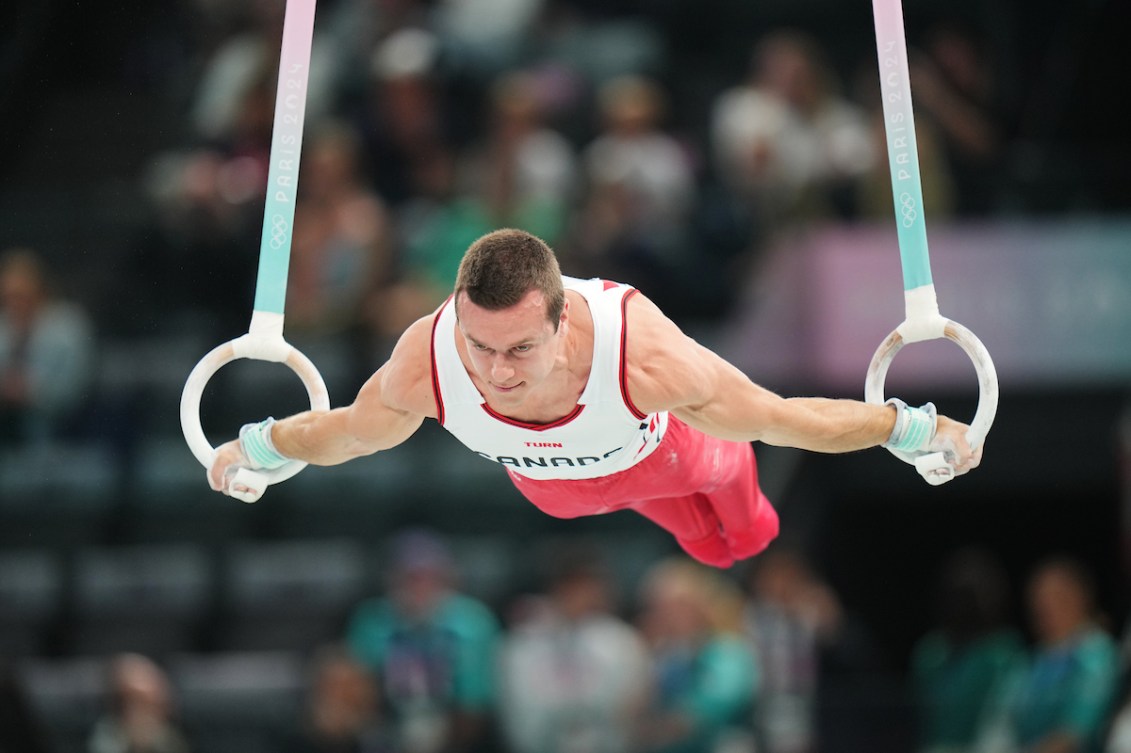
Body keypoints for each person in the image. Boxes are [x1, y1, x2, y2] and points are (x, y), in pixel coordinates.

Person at [206, 228, 982, 569]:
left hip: (670, 456)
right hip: (557, 491)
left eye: (517, 349)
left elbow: (787, 417)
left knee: (735, 541)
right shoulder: (426, 361)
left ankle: (728, 491)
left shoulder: (641, 358)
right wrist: (261, 445)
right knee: (638, 518)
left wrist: (910, 426)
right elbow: (346, 433)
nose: (495, 371)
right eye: (479, 345)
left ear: (562, 320)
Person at [344, 528, 500, 753]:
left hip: (458, 735)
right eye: (410, 578)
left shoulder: (473, 623)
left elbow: (475, 703)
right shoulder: (371, 623)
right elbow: (360, 697)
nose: (419, 588)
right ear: (391, 579)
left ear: (448, 579)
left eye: (429, 577)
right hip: (387, 730)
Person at [86, 653, 192, 753]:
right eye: (141, 704)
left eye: (157, 704)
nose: (147, 716)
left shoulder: (173, 741)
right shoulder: (106, 740)